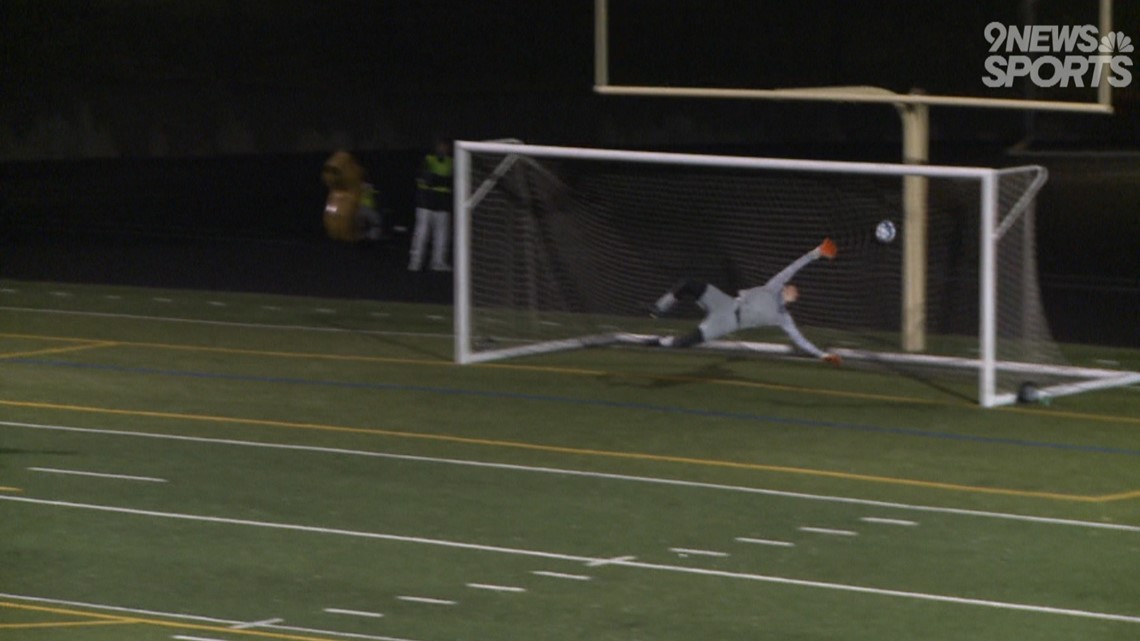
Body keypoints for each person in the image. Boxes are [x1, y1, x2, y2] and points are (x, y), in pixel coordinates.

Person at [650, 238, 842, 364]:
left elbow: (800, 340)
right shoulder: (773, 286)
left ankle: (660, 342)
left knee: (686, 342)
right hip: (726, 303)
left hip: (728, 323)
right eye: (792, 287)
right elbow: (794, 267)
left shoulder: (783, 318)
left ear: (793, 299)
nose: (792, 288)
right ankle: (658, 309)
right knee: (688, 284)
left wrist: (822, 355)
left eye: (795, 292)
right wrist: (816, 252)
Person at [408, 137, 453, 271]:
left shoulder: (451, 162)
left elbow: (452, 181)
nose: (442, 149)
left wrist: (440, 181)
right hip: (426, 203)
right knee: (421, 234)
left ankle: (438, 262)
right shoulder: (428, 159)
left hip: (442, 204)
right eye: (440, 146)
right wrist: (443, 181)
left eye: (445, 146)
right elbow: (426, 179)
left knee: (442, 235)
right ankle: (415, 262)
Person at [321, 150, 382, 243]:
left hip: (363, 207)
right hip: (361, 207)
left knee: (372, 222)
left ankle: (369, 239)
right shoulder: (337, 192)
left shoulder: (360, 185)